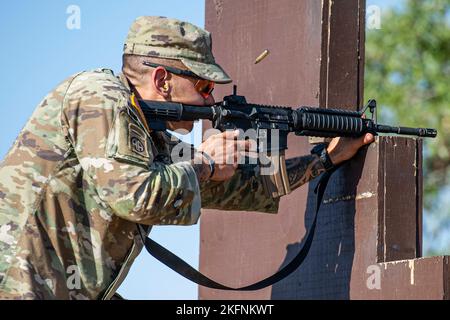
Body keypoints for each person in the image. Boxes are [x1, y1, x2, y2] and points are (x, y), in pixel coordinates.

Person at [0, 16, 374, 300]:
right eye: (204, 86)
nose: (210, 100)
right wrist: (205, 163)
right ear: (162, 80)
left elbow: (241, 188)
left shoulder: (149, 136)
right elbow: (136, 196)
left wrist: (325, 158)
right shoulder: (99, 95)